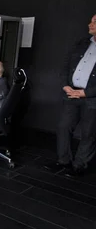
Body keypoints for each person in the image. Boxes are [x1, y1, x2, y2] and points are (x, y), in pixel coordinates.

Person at [44, 14, 96, 177]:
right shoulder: (82, 43)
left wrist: (85, 92)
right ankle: (63, 161)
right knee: (64, 127)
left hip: (92, 99)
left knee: (89, 133)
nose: (90, 24)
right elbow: (66, 66)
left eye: (95, 22)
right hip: (71, 94)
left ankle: (80, 165)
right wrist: (66, 86)